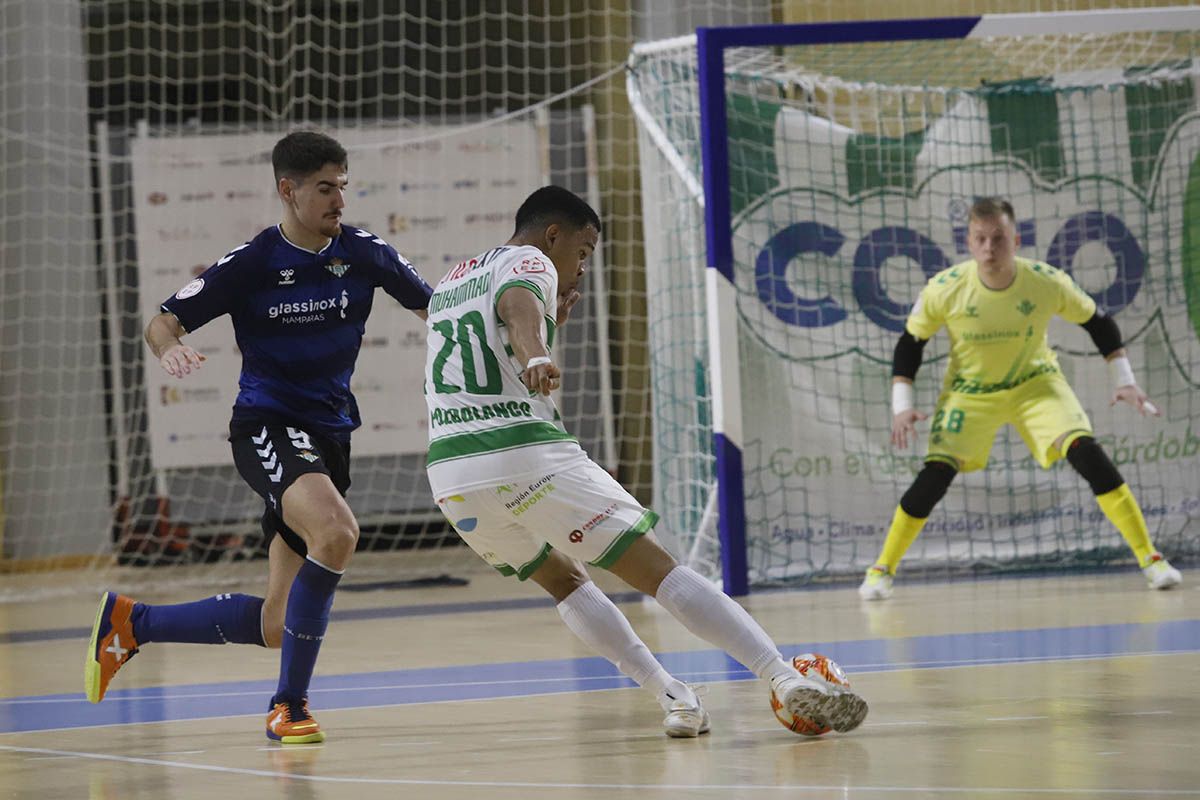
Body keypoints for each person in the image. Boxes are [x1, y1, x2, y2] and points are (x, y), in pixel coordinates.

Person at [424, 185, 868, 737]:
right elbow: (517, 310)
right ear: (553, 234)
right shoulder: (531, 259)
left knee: (565, 582)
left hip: (453, 478)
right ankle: (781, 677)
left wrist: (547, 324)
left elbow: (487, 343)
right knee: (660, 572)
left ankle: (675, 698)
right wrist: (537, 347)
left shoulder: (451, 280)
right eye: (583, 252)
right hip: (523, 453)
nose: (583, 267)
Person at [85, 130, 434, 744]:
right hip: (268, 427)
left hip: (331, 435)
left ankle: (131, 624)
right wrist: (170, 351)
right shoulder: (252, 263)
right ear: (288, 190)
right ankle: (289, 707)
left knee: (278, 622)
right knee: (337, 531)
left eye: (343, 187)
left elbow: (436, 308)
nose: (338, 201)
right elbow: (162, 321)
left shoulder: (365, 253)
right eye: (325, 188)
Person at [859, 197, 1182, 601]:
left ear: (1016, 239)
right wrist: (901, 406)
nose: (989, 249)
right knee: (934, 476)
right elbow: (911, 343)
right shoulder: (945, 288)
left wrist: (1124, 379)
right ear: (969, 242)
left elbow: (1098, 323)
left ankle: (1152, 561)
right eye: (980, 239)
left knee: (1087, 454)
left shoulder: (1046, 281)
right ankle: (881, 569)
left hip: (1036, 384)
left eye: (998, 239)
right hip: (969, 393)